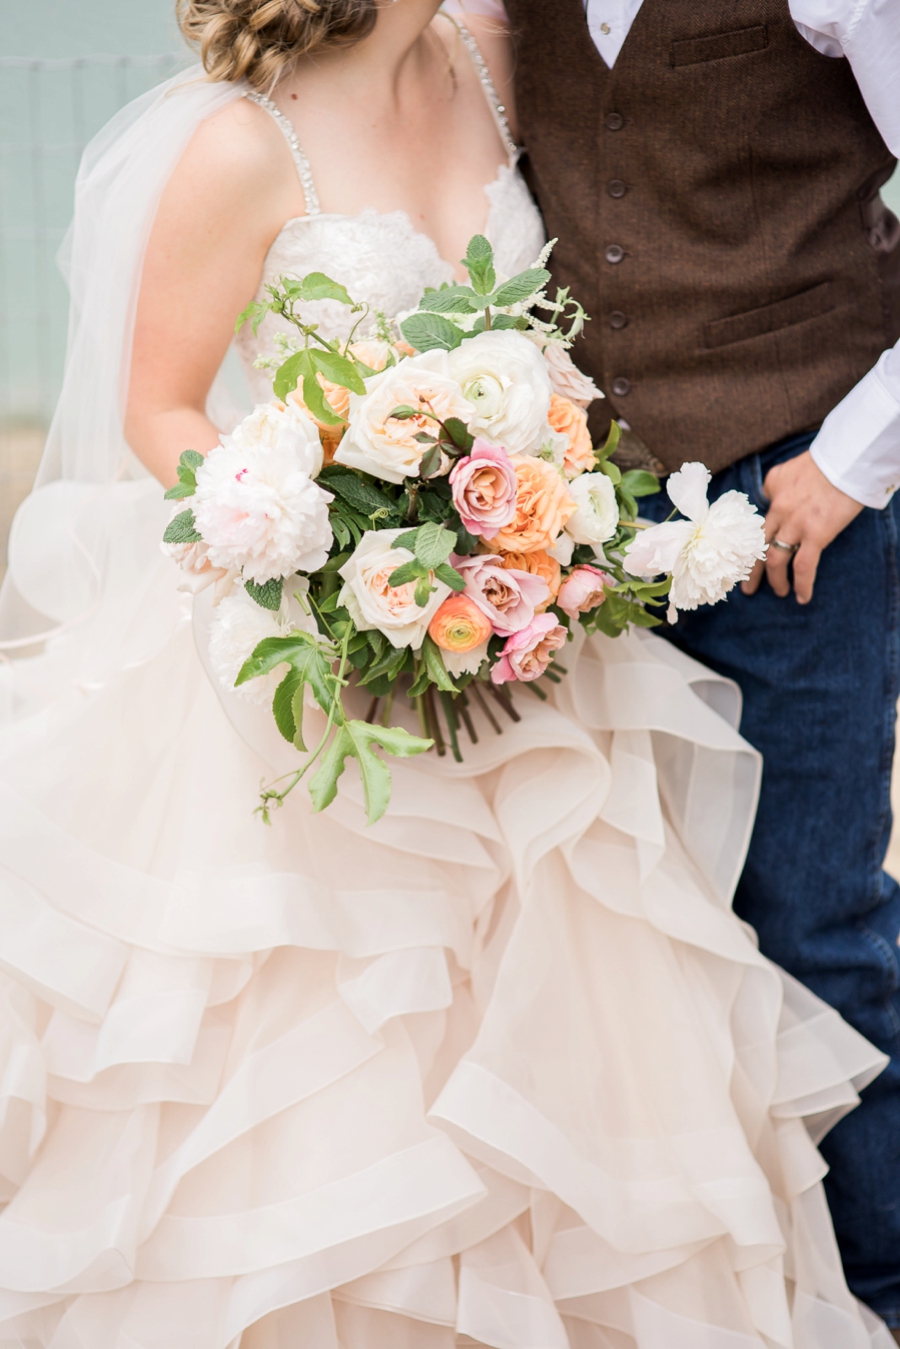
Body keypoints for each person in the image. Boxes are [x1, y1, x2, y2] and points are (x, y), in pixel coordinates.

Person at [0, 1, 891, 1345]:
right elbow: (160, 406)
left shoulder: (489, 54)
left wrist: (518, 527)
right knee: (355, 1048)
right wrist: (318, 531)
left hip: (529, 632)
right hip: (325, 641)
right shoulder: (242, 146)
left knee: (608, 1009)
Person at [499, 0, 900, 1335]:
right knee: (626, 935)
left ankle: (883, 1291)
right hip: (578, 526)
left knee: (811, 926)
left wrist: (853, 464)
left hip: (803, 495)